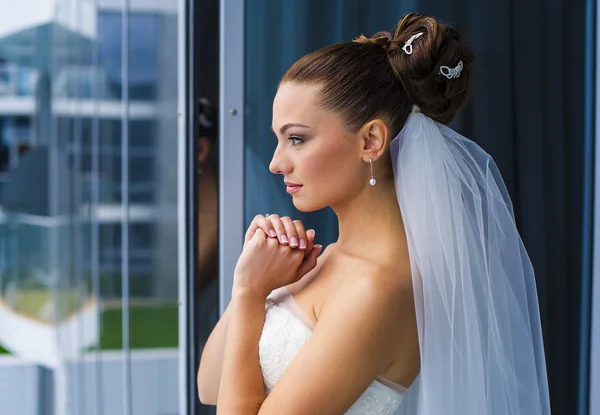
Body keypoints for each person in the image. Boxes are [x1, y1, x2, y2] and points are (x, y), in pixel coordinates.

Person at [197, 13, 551, 415]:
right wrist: (254, 288)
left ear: (371, 140)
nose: (276, 163)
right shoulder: (323, 258)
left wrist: (247, 294)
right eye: (278, 139)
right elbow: (209, 386)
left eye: (296, 139)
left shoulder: (381, 287)